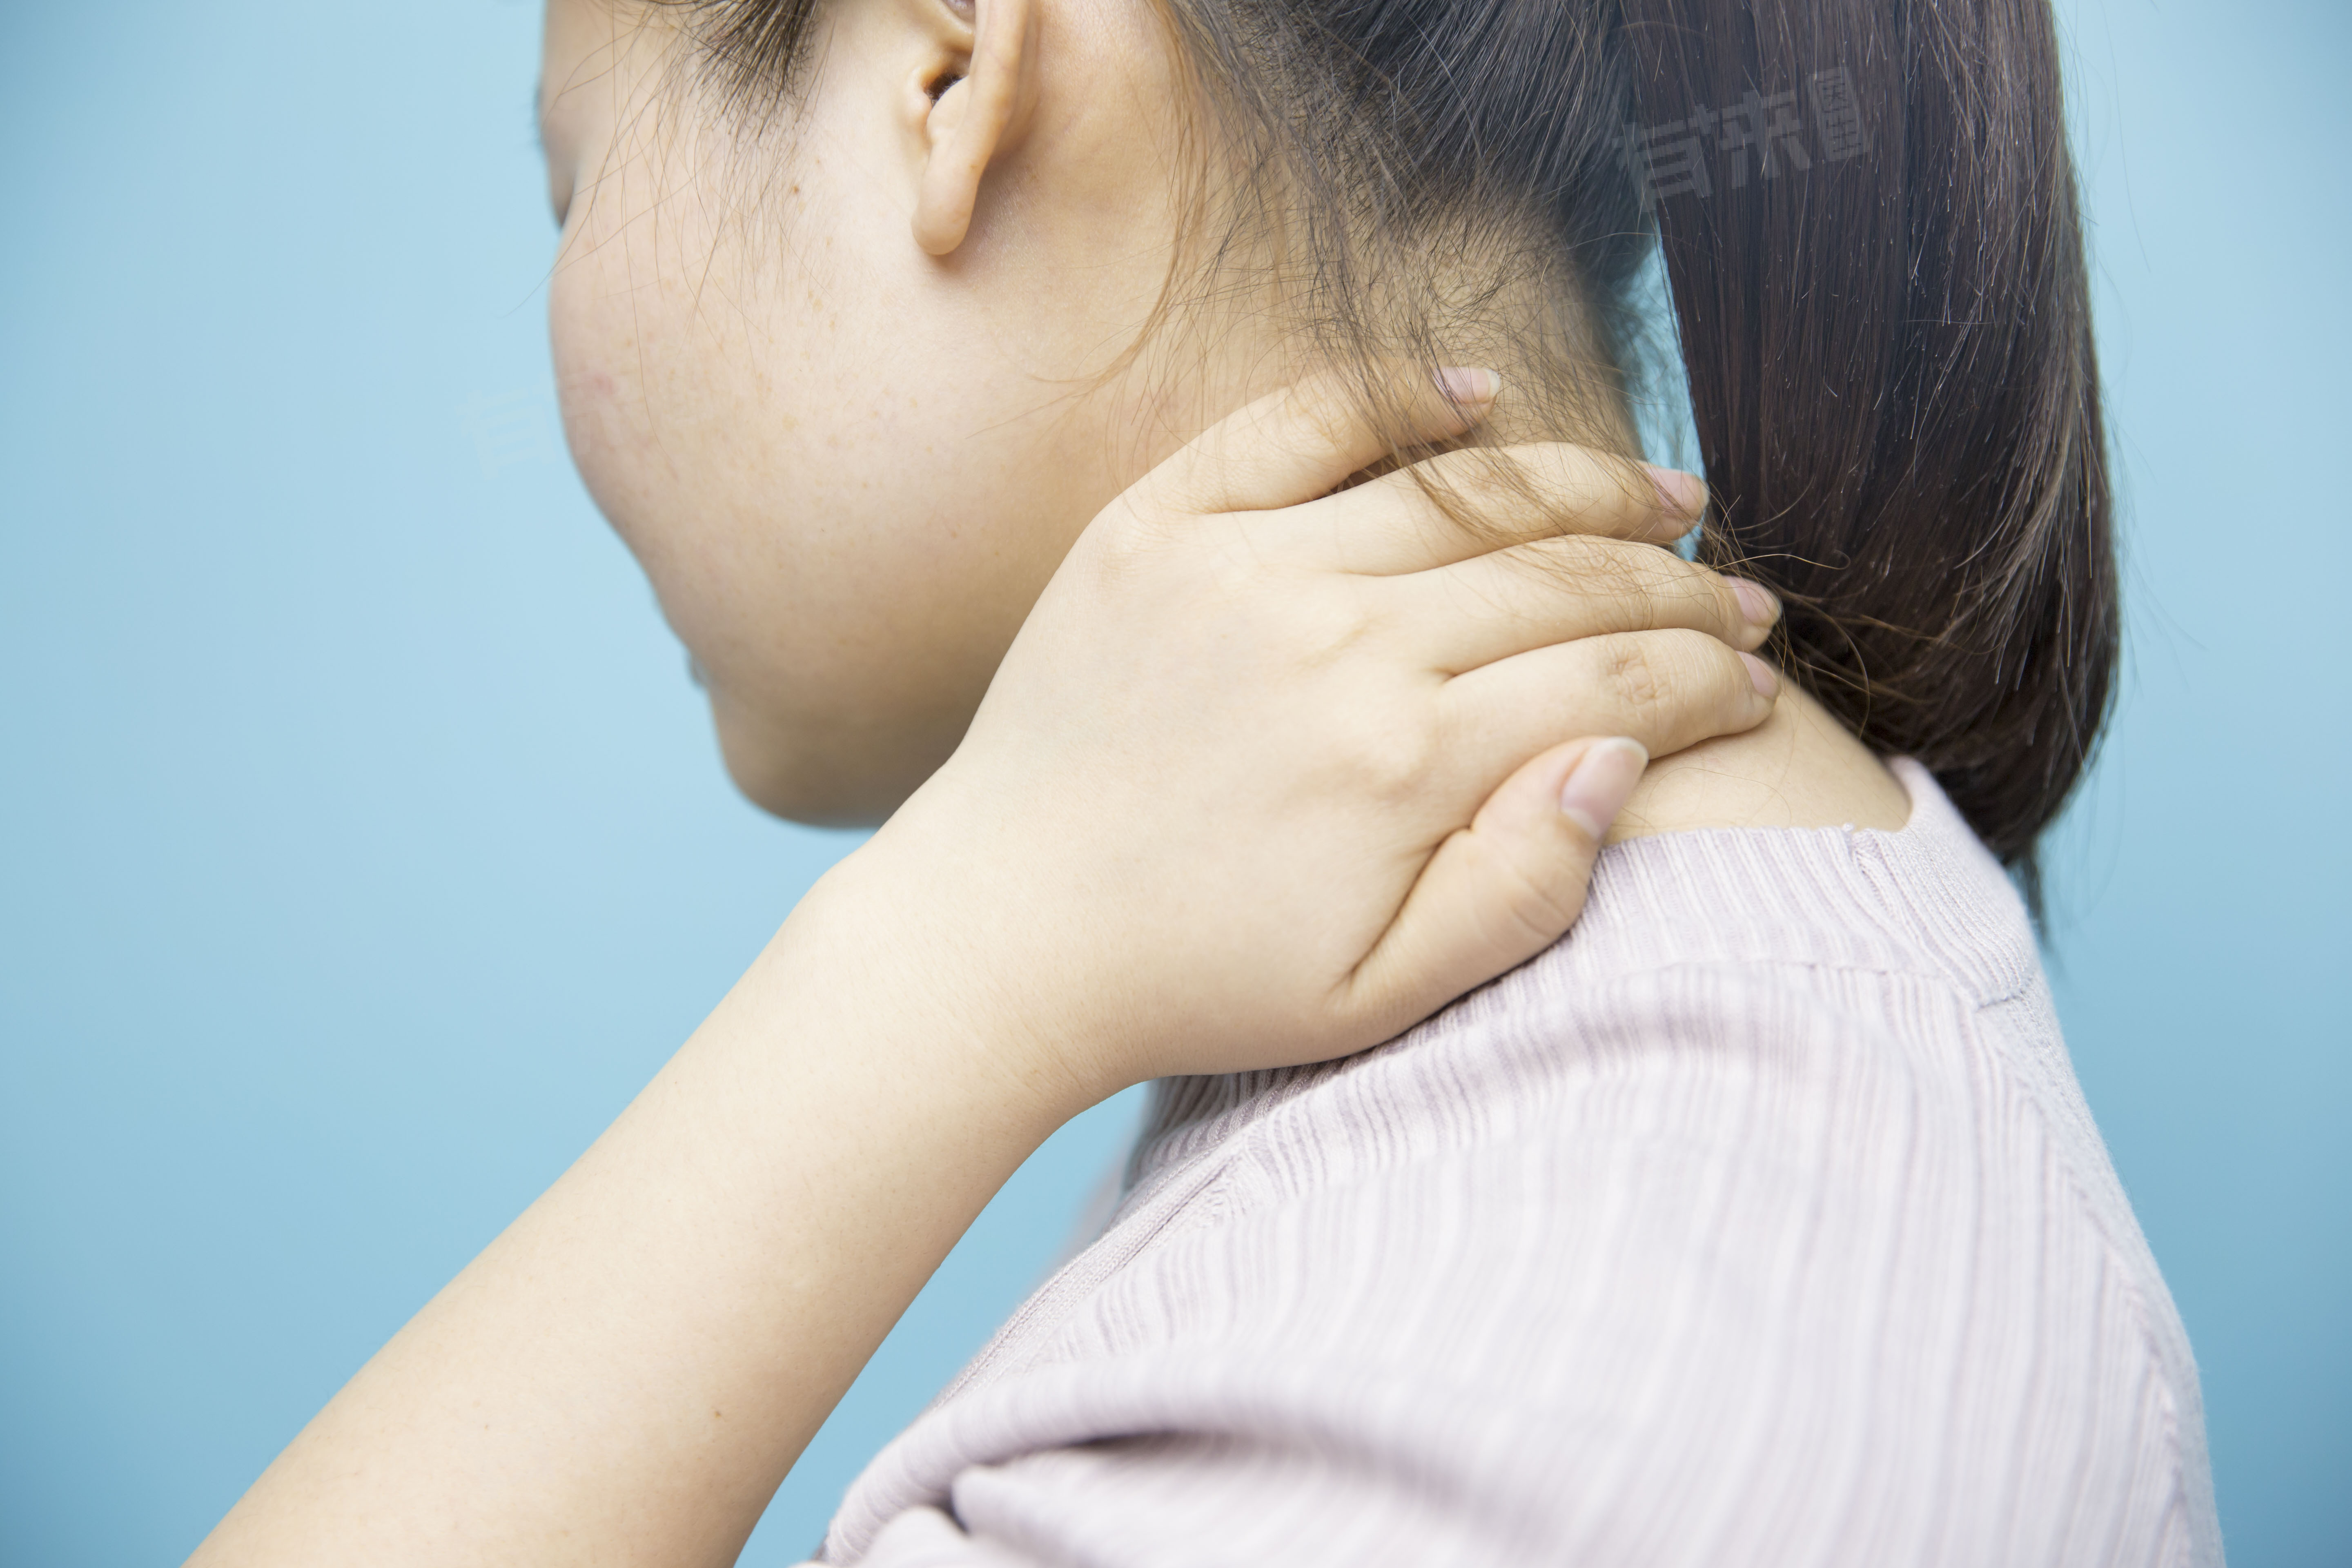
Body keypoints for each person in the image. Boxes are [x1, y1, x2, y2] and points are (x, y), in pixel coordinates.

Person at [187, 0, 2220, 1563]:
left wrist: (944, 961)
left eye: (572, 185)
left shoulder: (1494, 1362)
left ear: (945, 66)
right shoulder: (1693, 1062)